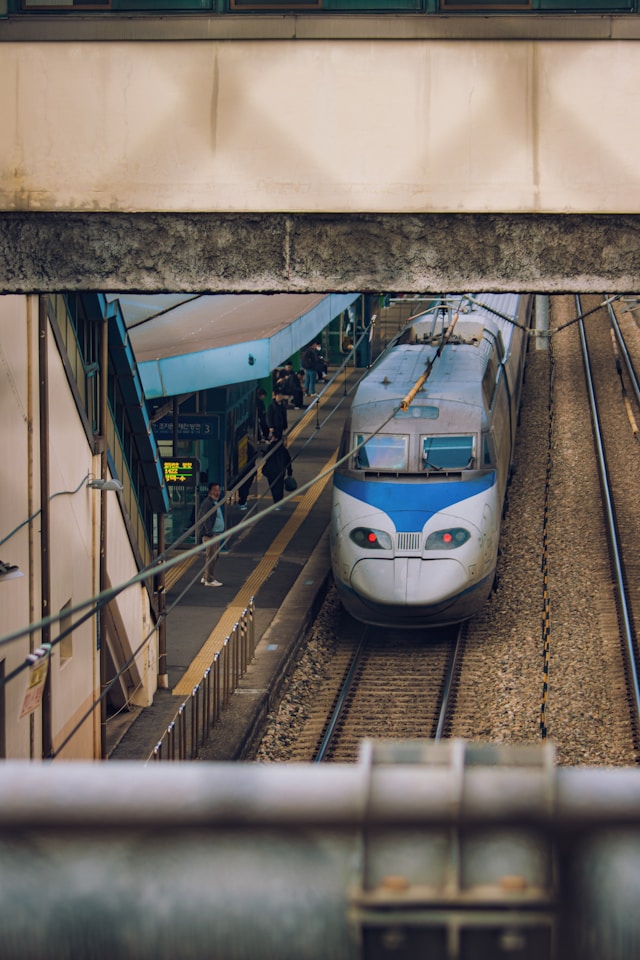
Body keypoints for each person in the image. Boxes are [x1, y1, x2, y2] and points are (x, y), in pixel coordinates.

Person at [196, 481, 224, 586]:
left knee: (214, 556)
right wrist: (210, 533)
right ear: (209, 492)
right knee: (212, 557)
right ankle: (209, 579)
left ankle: (205, 576)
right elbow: (206, 519)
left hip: (216, 534)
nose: (217, 492)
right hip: (211, 536)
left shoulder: (214, 502)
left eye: (218, 490)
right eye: (215, 490)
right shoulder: (208, 503)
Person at [262, 441, 293, 509]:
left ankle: (276, 501)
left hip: (271, 471)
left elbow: (266, 457)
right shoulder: (284, 450)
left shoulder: (270, 448)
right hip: (280, 471)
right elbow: (288, 460)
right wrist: (289, 472)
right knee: (279, 487)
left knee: (273, 486)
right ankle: (278, 502)